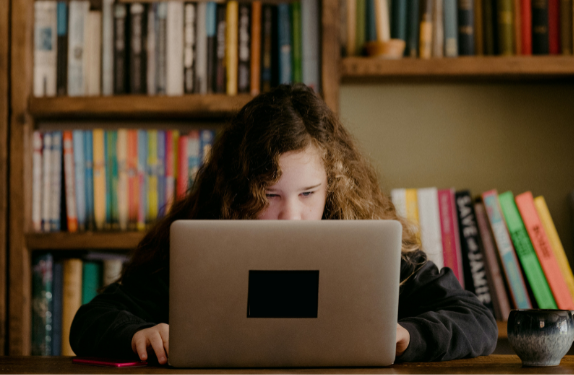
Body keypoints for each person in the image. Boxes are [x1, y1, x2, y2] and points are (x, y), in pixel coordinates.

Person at [69, 84, 498, 364]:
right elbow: (91, 320)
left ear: (334, 185)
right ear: (238, 190)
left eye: (308, 194)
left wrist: (408, 336)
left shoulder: (362, 237)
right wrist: (138, 334)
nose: (291, 215)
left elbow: (475, 318)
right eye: (269, 196)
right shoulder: (203, 240)